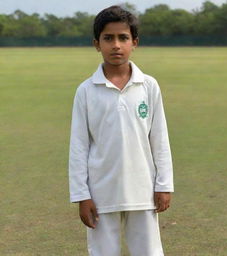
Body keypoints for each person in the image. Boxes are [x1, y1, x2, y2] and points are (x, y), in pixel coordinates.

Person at [68, 5, 174, 256]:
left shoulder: (148, 86)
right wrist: (82, 195)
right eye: (108, 38)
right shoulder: (87, 90)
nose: (116, 45)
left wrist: (164, 185)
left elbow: (159, 139)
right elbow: (78, 145)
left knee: (149, 252)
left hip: (143, 189)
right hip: (101, 192)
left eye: (123, 37)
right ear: (97, 43)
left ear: (134, 42)